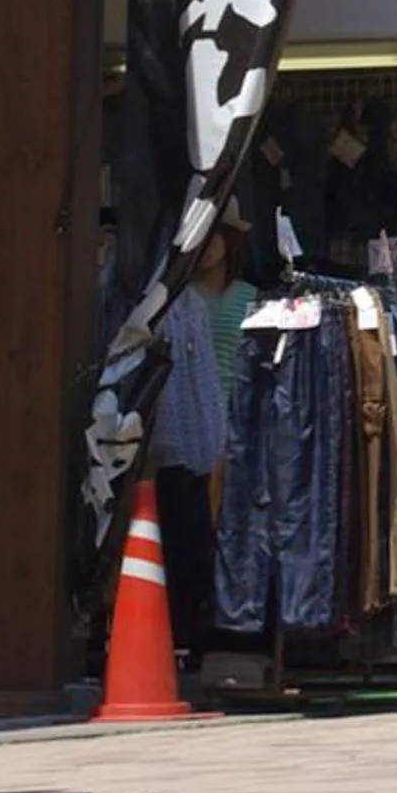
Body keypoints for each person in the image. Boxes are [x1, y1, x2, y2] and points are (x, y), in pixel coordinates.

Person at [149, 222, 245, 660]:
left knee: (205, 526)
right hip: (186, 419)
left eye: (216, 236)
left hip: (223, 415)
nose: (208, 246)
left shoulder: (245, 296)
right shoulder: (177, 298)